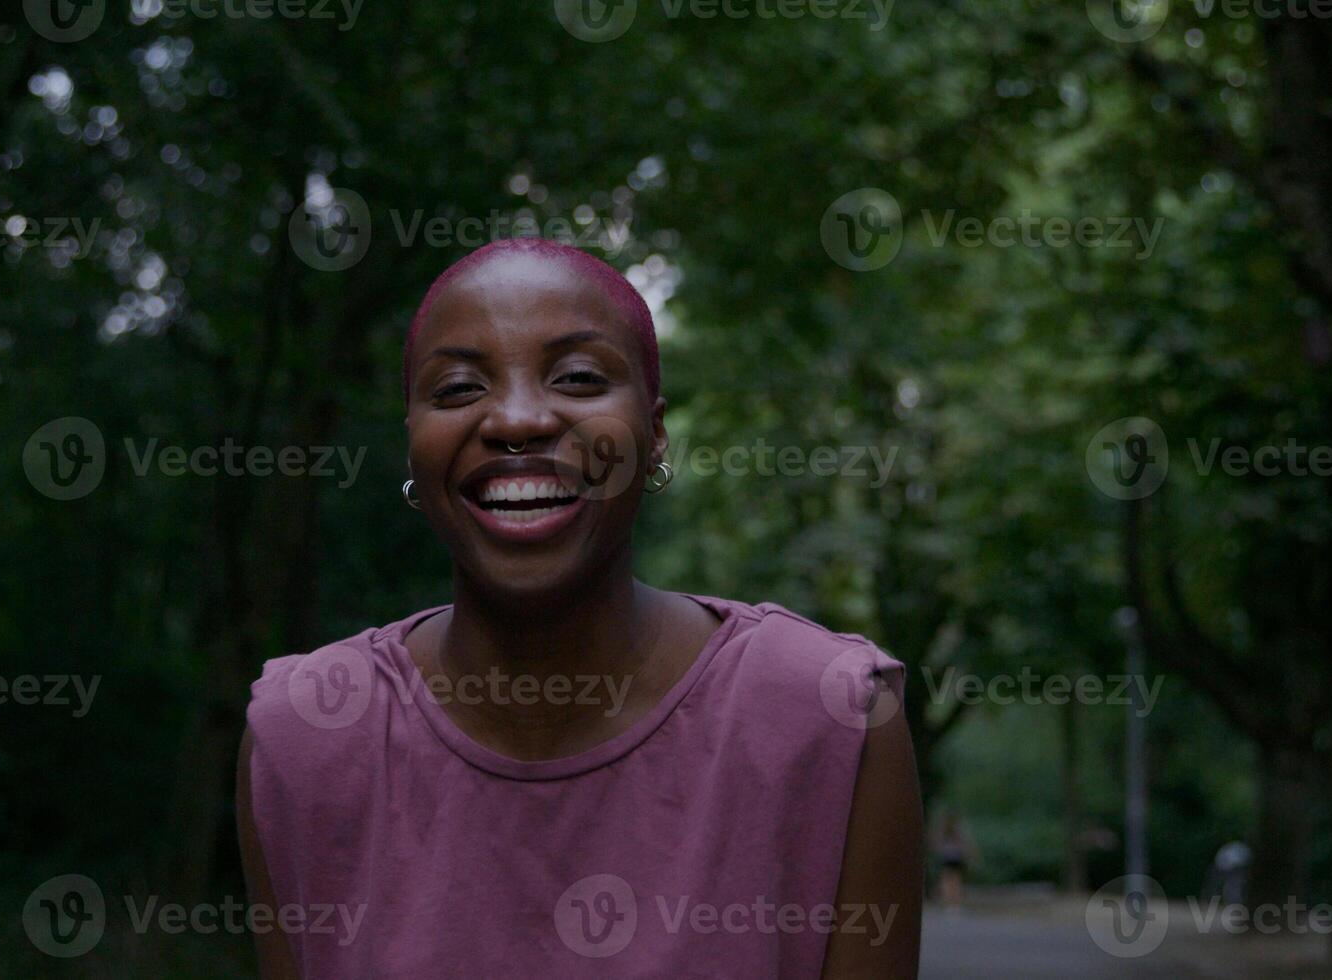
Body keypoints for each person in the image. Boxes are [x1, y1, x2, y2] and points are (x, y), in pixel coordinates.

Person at [236, 237, 923, 978]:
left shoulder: (830, 716)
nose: (520, 419)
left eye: (577, 376)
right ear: (413, 447)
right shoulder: (307, 735)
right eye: (460, 388)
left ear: (654, 434)